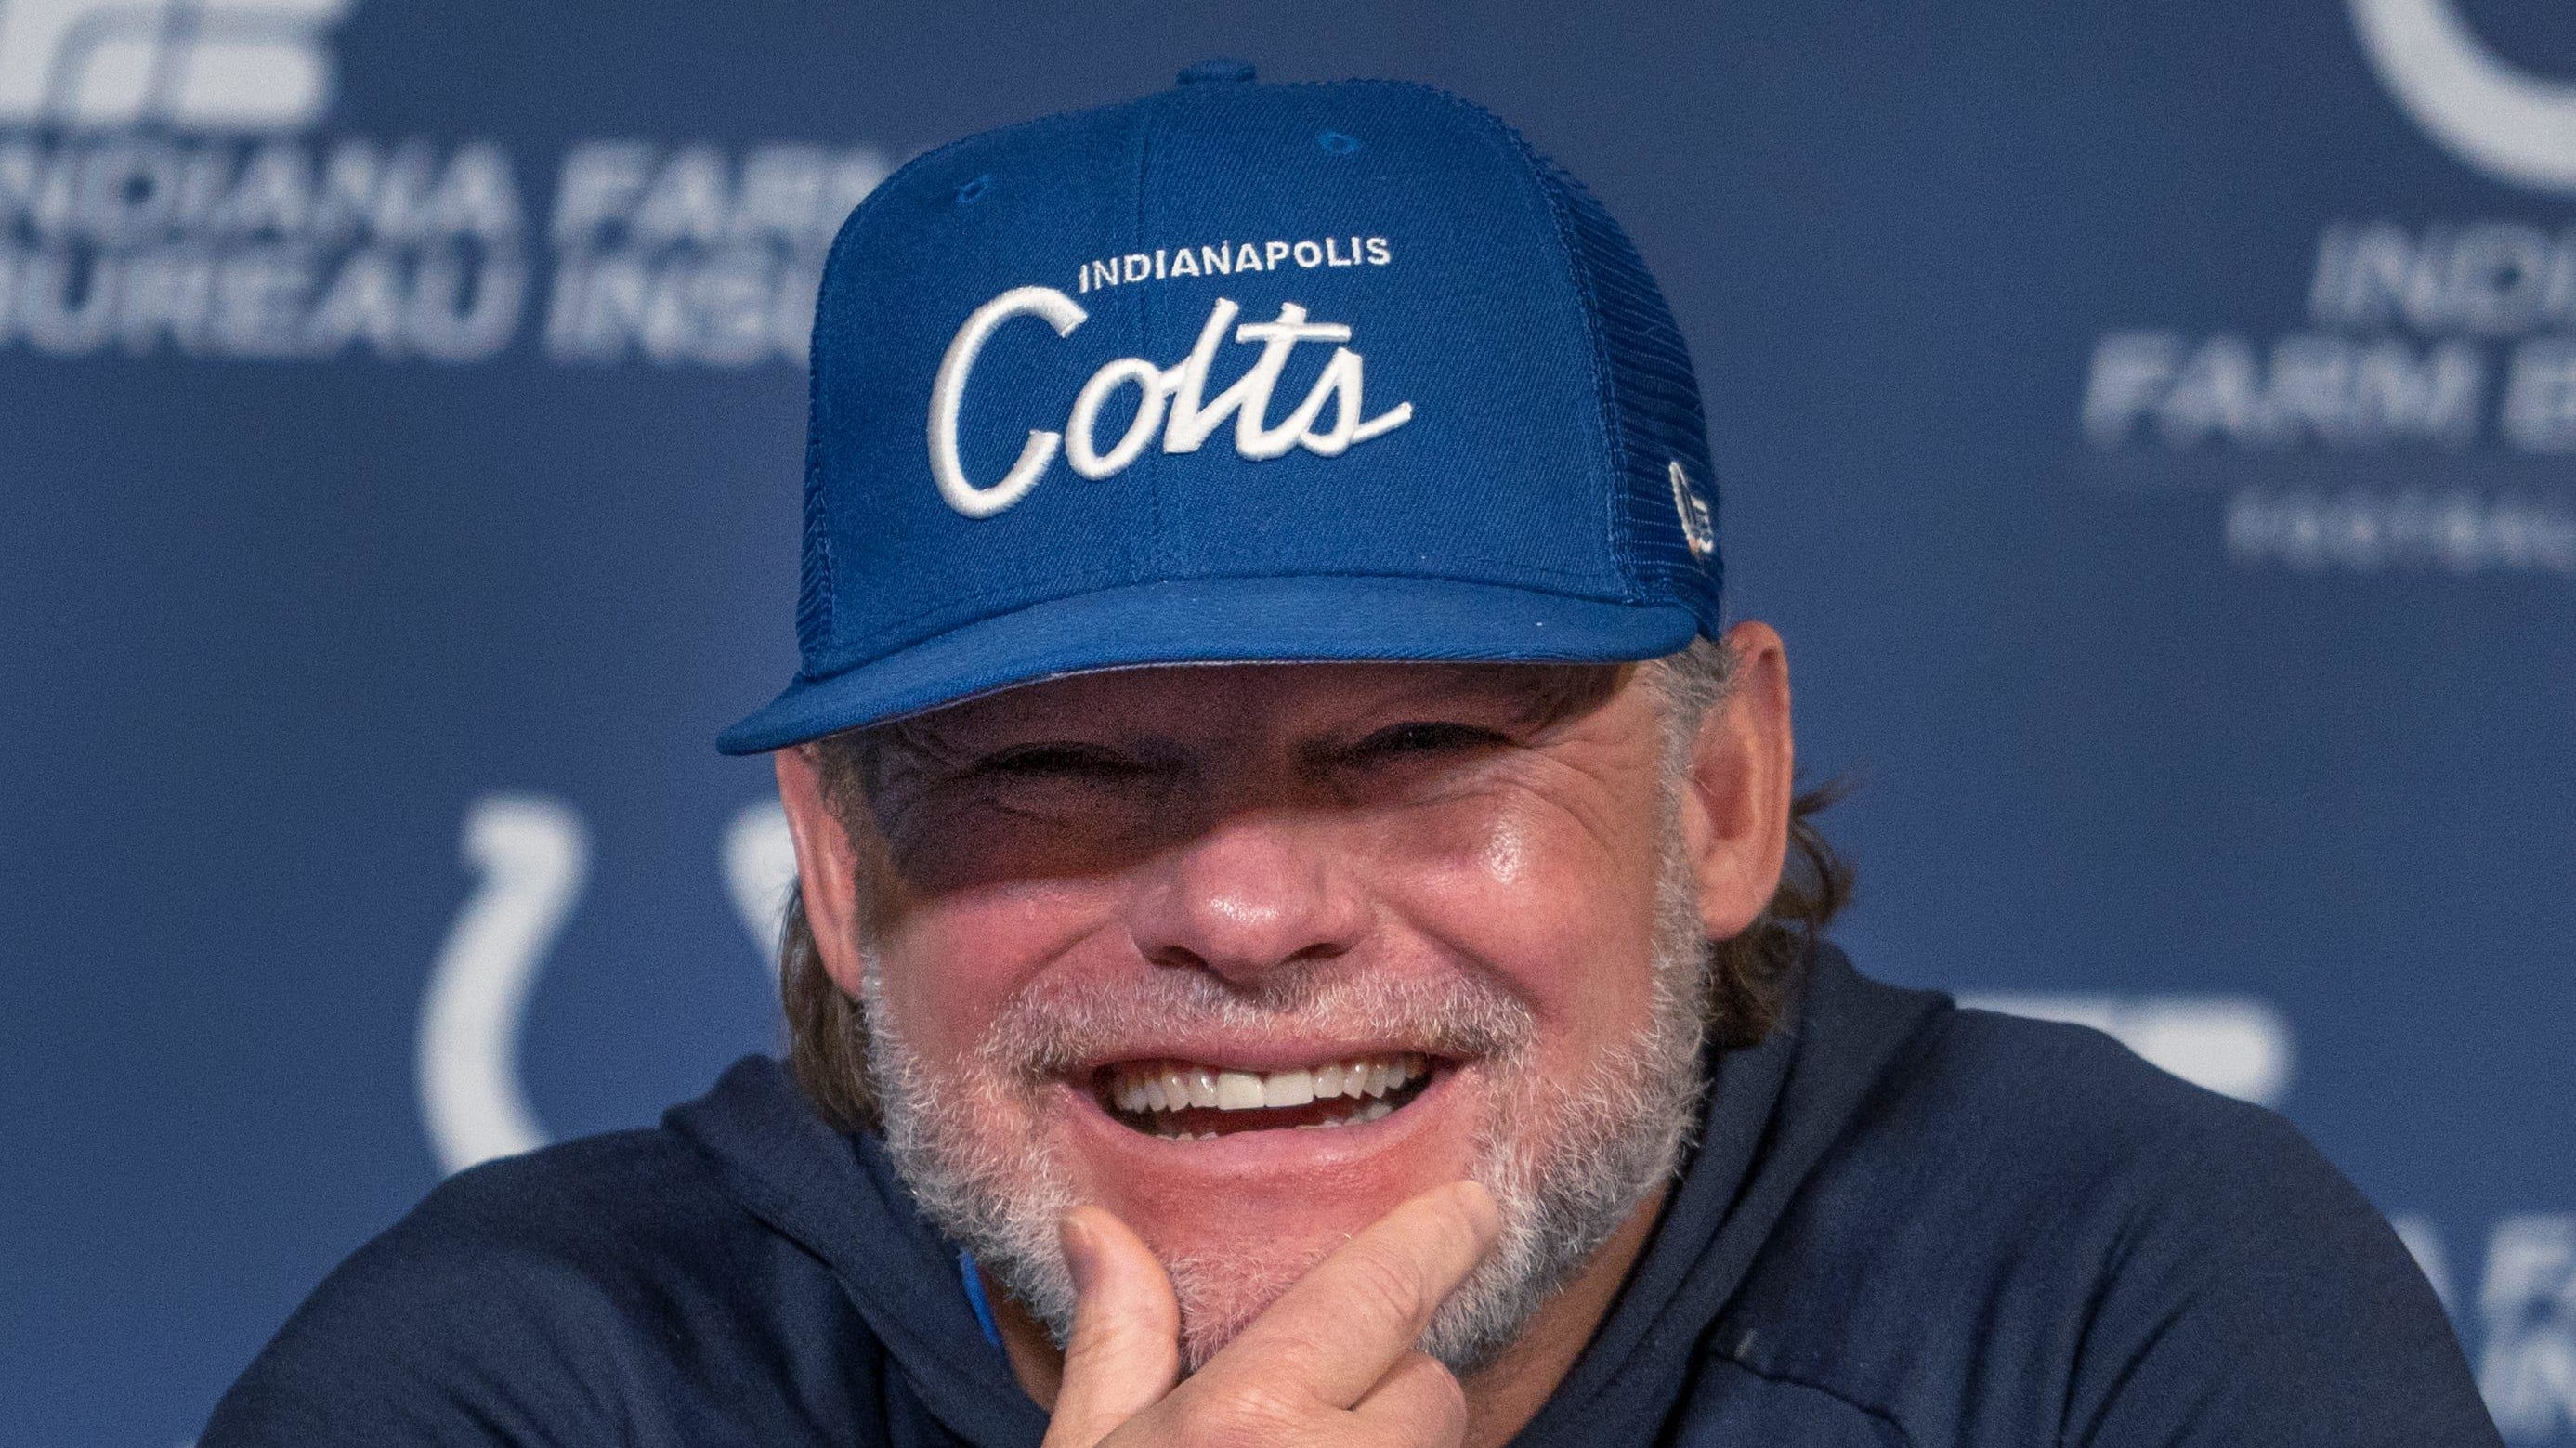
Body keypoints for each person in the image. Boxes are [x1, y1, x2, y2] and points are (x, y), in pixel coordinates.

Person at [204, 64, 2500, 1448]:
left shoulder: (2118, 1307)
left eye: (1416, 745)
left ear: (1717, 795)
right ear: (832, 862)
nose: (1242, 907)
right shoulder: (519, 1387)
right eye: (1061, 771)